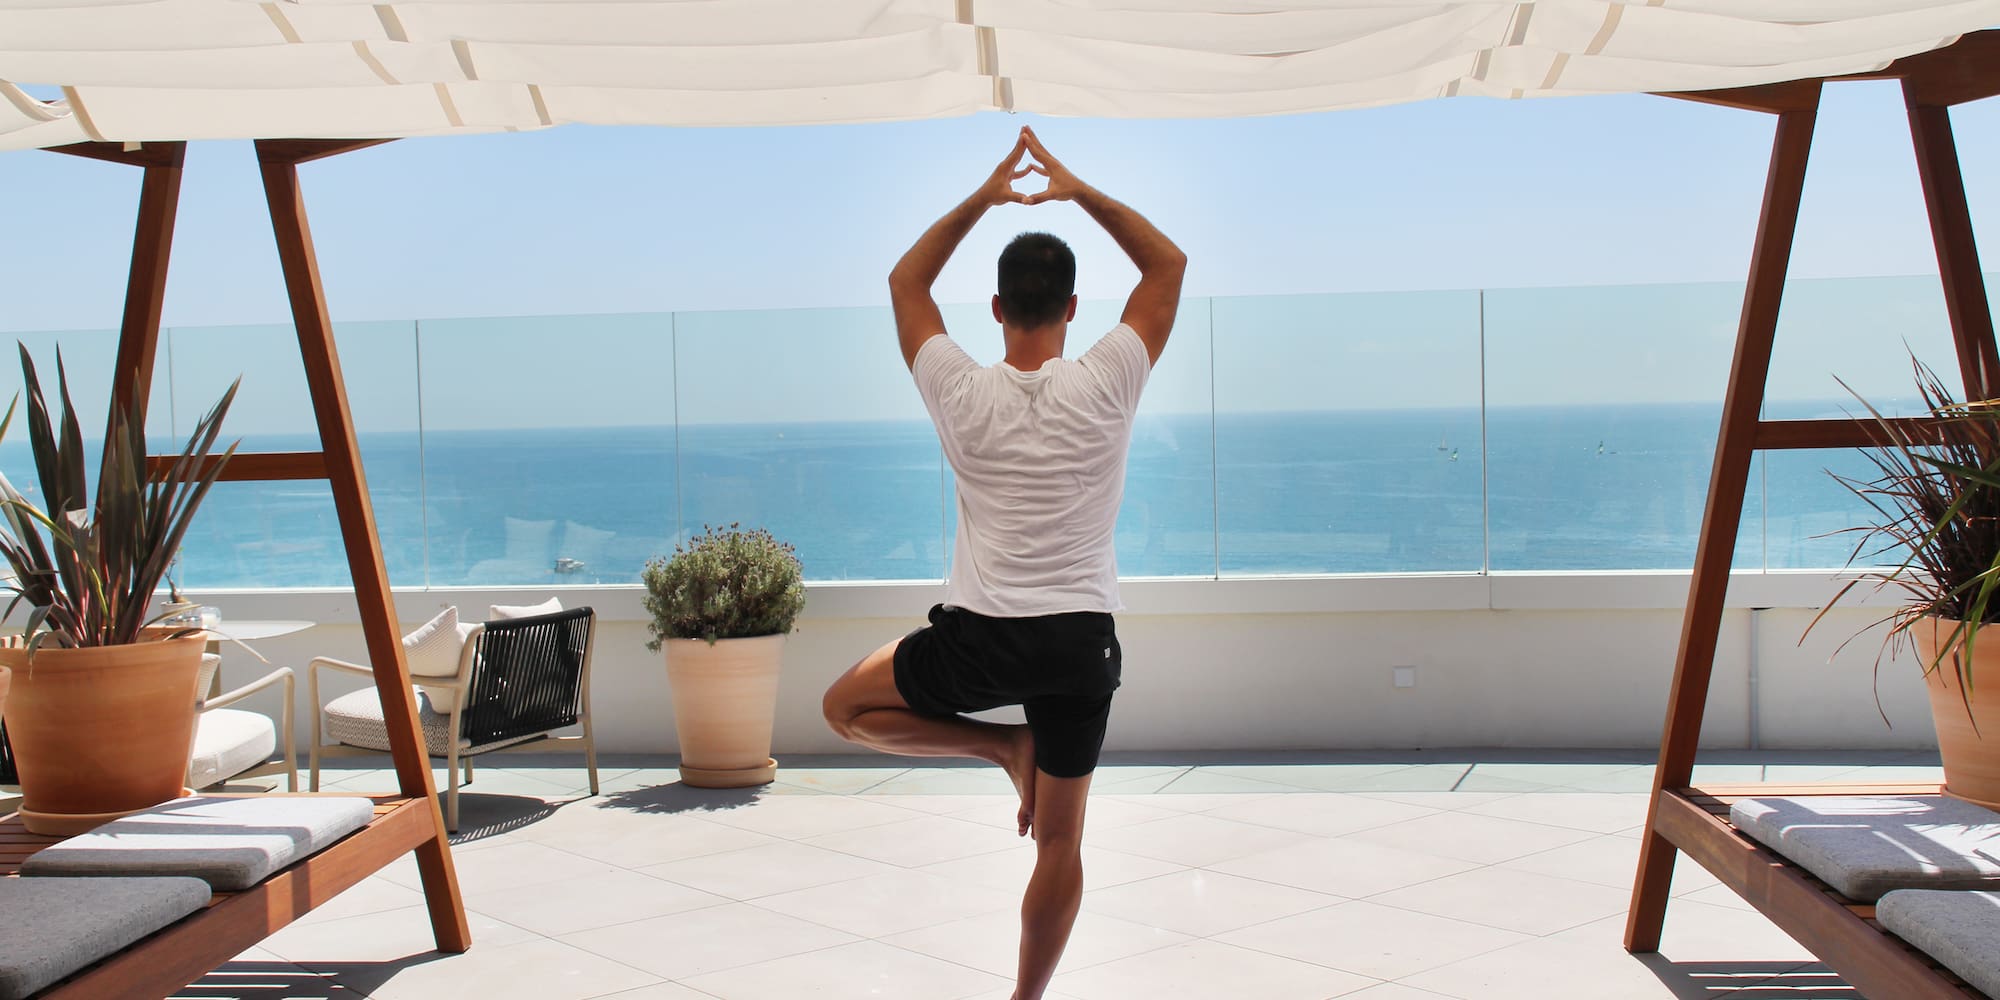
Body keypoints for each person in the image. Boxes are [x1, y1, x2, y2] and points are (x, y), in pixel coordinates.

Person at [821, 125, 1185, 1000]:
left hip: (978, 643)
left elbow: (906, 282)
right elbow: (1165, 267)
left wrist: (987, 196)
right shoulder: (1107, 380)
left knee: (844, 708)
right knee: (1062, 843)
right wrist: (1072, 189)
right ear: (1070, 308)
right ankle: (1026, 999)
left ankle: (998, 748)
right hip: (1077, 646)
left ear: (995, 309)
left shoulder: (958, 388)